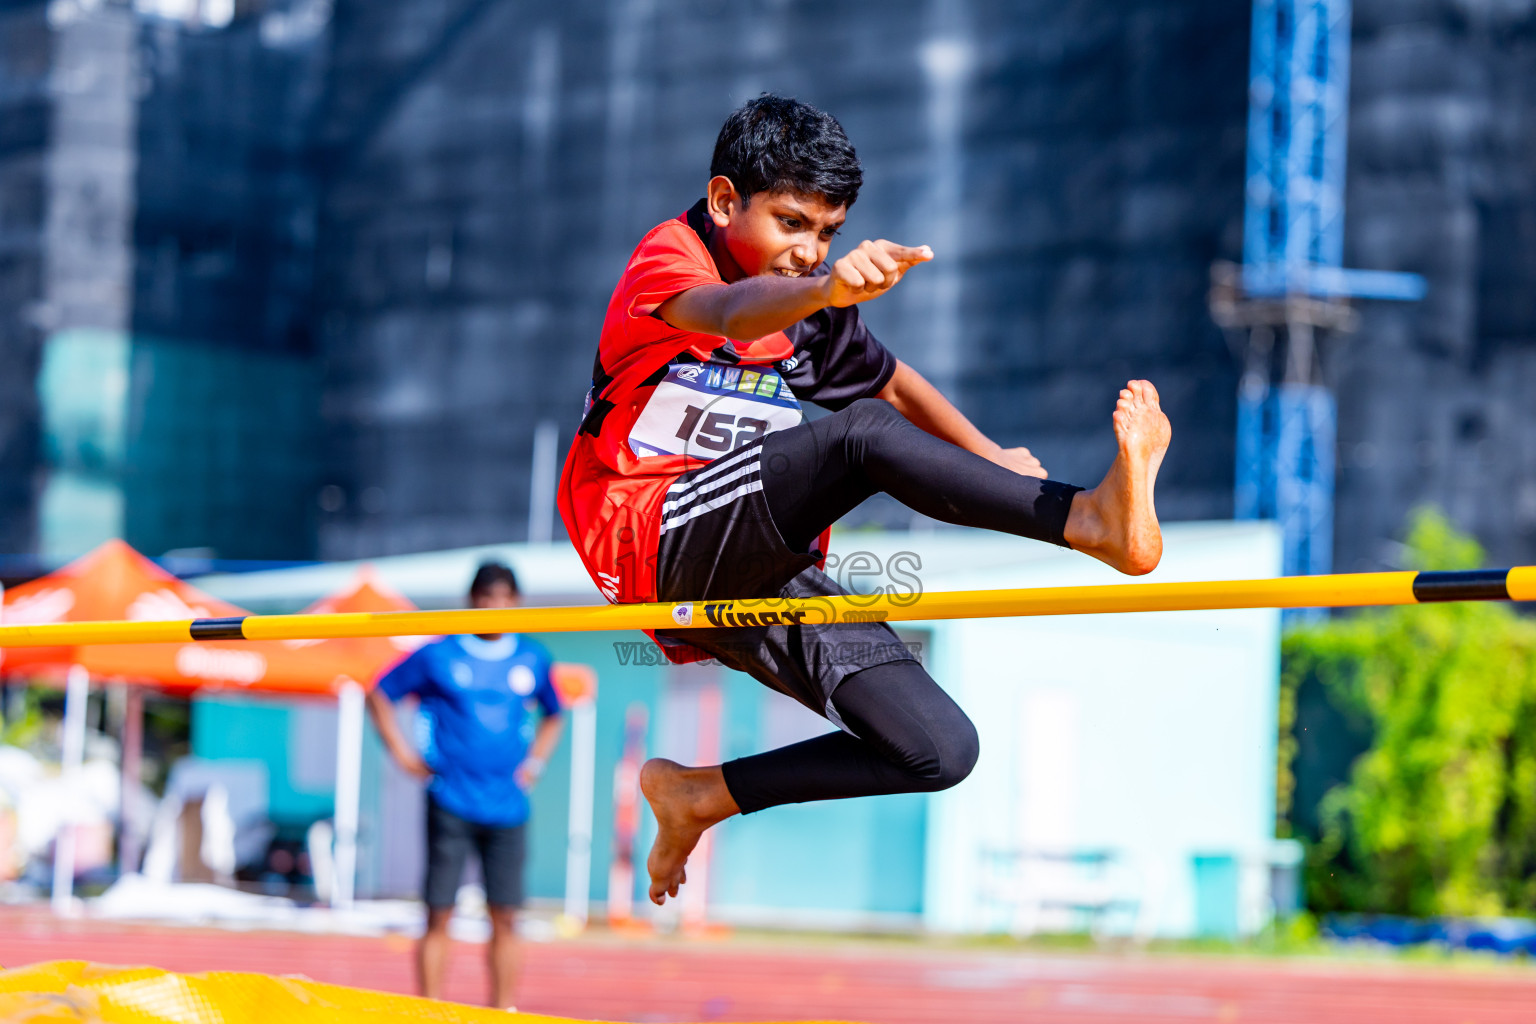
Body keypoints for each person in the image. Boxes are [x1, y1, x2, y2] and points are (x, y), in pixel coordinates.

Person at [557, 94, 1170, 907]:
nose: (807, 251)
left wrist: (992, 456)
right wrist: (824, 290)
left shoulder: (809, 306)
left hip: (748, 564)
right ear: (723, 202)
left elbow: (894, 381)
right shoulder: (674, 259)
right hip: (649, 540)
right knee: (858, 435)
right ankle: (1084, 521)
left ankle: (701, 794)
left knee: (937, 748)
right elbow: (731, 314)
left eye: (827, 233)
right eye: (790, 223)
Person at [366, 562, 564, 1009]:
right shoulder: (440, 653)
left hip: (508, 805)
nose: (495, 607)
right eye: (486, 598)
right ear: (471, 601)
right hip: (450, 799)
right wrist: (400, 753)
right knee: (439, 912)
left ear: (517, 603)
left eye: (504, 598)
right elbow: (379, 692)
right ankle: (432, 1009)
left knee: (507, 916)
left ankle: (504, 1010)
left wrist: (535, 764)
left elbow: (555, 712)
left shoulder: (532, 656)